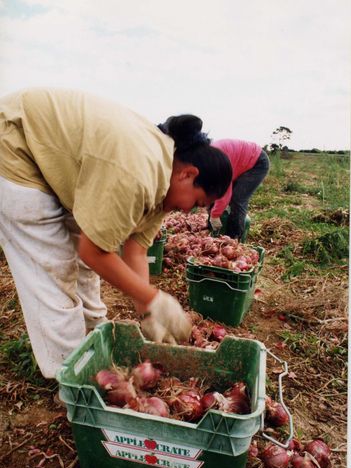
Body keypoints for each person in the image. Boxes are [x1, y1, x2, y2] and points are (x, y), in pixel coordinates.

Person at [0, 88, 232, 379]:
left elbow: (135, 249)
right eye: (196, 203)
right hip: (15, 142)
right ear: (189, 174)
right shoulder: (138, 175)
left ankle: (95, 334)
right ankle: (71, 376)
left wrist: (147, 314)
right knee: (53, 267)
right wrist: (155, 299)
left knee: (82, 261)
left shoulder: (163, 186)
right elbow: (94, 251)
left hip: (61, 164)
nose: (188, 212)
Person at [209, 139, 270, 240]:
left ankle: (234, 239)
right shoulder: (204, 161)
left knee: (237, 199)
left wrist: (215, 215)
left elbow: (225, 191)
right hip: (238, 164)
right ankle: (213, 234)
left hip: (257, 163)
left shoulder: (216, 161)